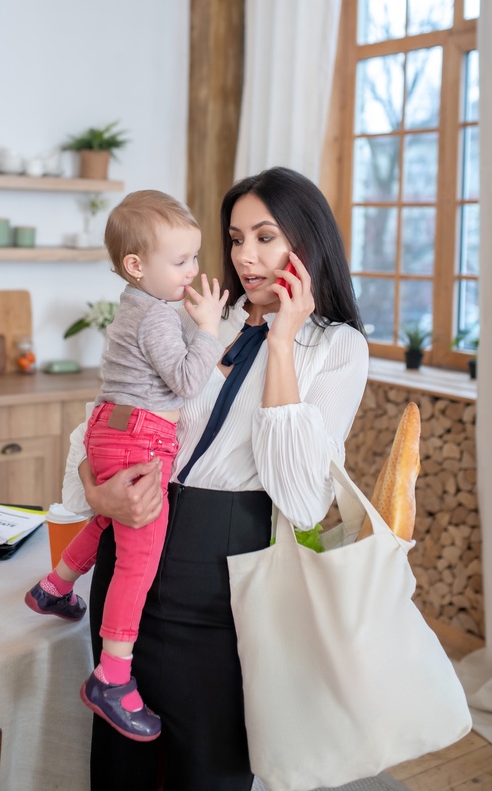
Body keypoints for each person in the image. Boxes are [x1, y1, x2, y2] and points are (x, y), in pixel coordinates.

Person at [63, 167, 369, 790]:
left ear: (306, 245)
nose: (246, 258)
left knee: (208, 764)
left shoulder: (337, 349)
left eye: (265, 238)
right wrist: (96, 492)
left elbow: (303, 497)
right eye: (235, 239)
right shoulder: (205, 315)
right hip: (133, 553)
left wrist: (281, 343)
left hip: (225, 574)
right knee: (119, 767)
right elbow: (114, 412)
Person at [25, 190, 228, 741]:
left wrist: (201, 329)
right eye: (181, 260)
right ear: (138, 266)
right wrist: (209, 328)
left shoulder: (140, 304)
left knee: (108, 520)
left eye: (194, 257)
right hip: (140, 437)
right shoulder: (156, 318)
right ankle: (112, 677)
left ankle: (55, 586)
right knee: (138, 559)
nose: (193, 270)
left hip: (111, 429)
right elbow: (188, 383)